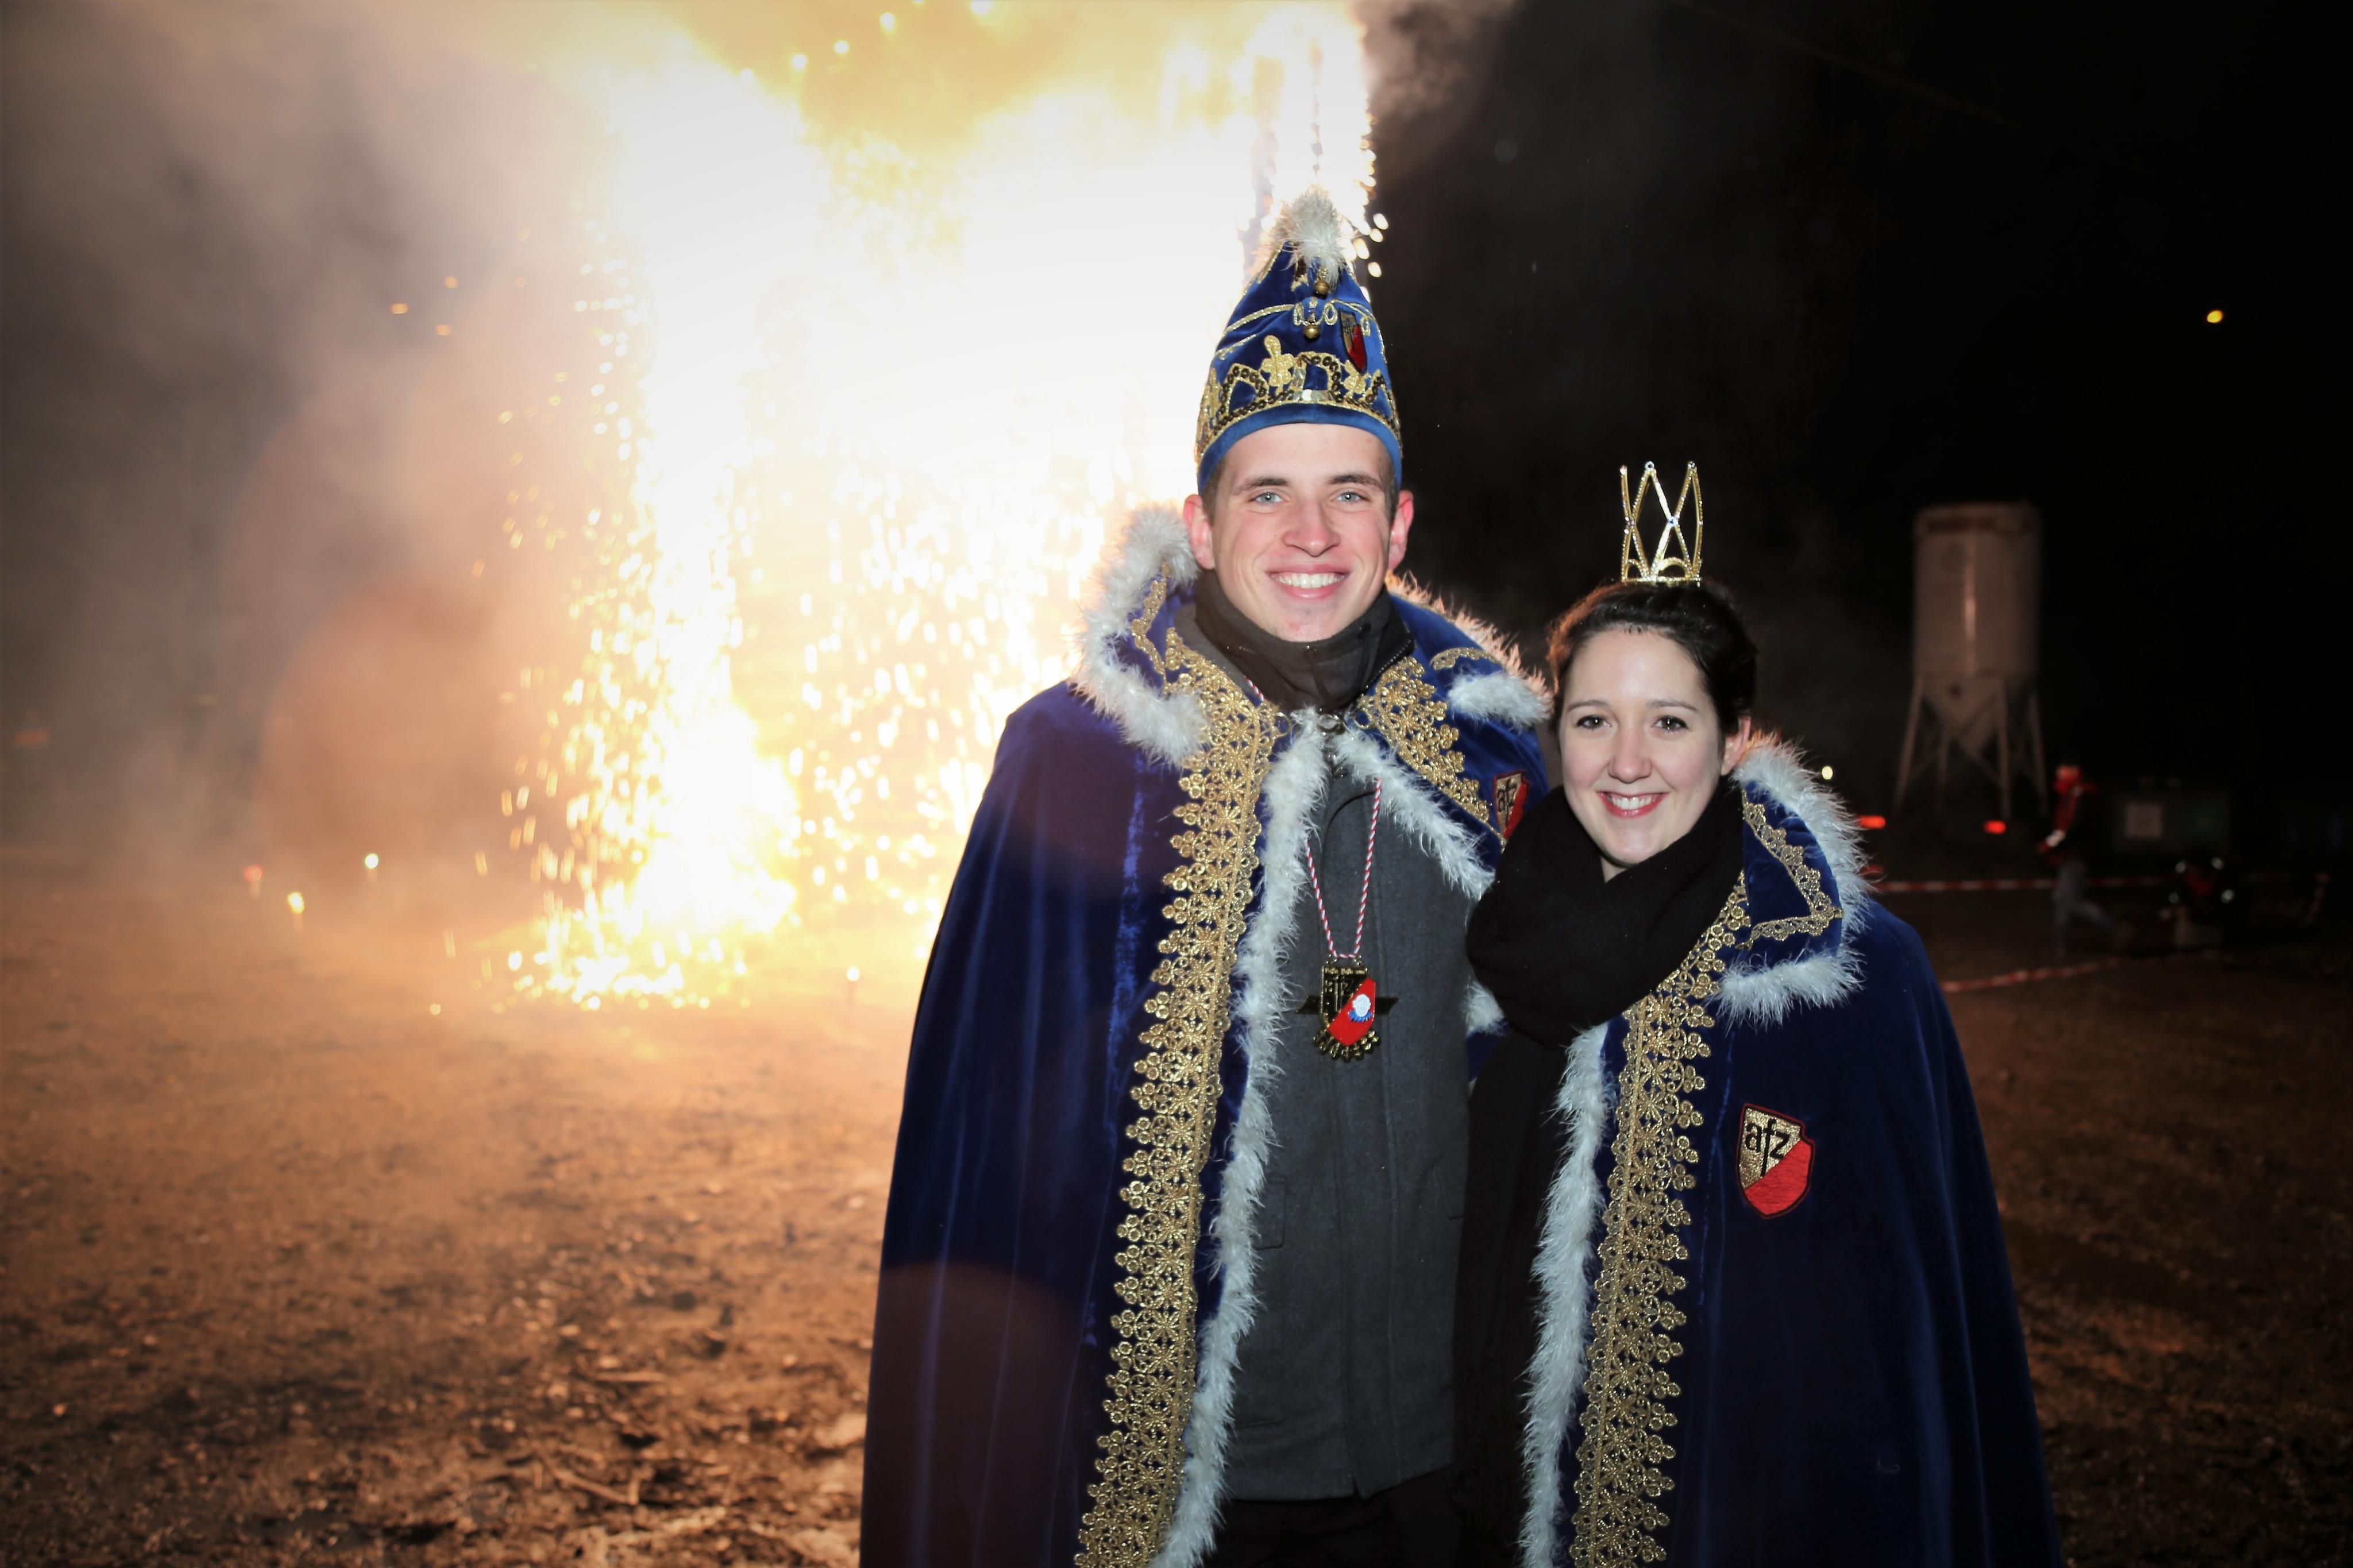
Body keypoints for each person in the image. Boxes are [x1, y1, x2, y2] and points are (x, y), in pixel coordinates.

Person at [861, 188, 1550, 1568]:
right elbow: (983, 1161)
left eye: (1348, 492)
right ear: (1200, 516)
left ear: (1399, 523)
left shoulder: (1494, 759)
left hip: (1438, 1480)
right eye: (1267, 492)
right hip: (1187, 1502)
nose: (1311, 533)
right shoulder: (1074, 764)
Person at [1452, 475, 2061, 1566]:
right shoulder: (1490, 937)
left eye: (1670, 721)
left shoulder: (1854, 976)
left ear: (1734, 736)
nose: (1626, 761)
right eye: (1593, 720)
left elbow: (1916, 1332)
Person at [2043, 762, 2121, 953]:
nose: (2059, 773)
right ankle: (2059, 942)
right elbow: (2063, 829)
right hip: (2070, 856)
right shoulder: (2070, 795)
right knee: (2063, 901)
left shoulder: (2079, 795)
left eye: (2063, 769)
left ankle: (2115, 928)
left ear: (2074, 771)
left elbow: (2071, 828)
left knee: (2071, 902)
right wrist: (2051, 845)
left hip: (2075, 857)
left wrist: (2051, 846)